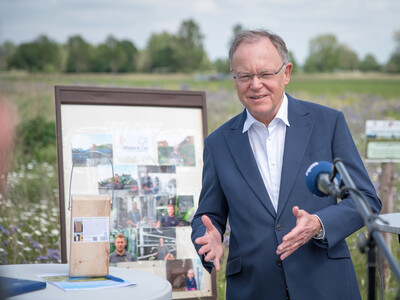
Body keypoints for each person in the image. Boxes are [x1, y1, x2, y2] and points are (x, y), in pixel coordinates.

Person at [191, 29, 381, 300]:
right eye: (244, 76)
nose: (255, 84)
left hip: (326, 286)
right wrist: (207, 239)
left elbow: (365, 198)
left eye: (265, 74)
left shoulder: (328, 123)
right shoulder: (218, 143)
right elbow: (208, 216)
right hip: (253, 289)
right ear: (234, 79)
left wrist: (318, 222)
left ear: (287, 73)